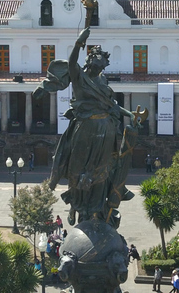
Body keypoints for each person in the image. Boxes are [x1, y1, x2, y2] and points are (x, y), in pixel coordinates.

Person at [37, 26, 144, 229]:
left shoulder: (102, 81)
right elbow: (70, 62)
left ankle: (96, 209)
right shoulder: (79, 76)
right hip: (85, 129)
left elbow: (112, 106)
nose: (99, 68)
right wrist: (79, 42)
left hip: (105, 131)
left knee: (102, 170)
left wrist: (130, 115)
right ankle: (75, 205)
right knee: (78, 167)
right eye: (96, 63)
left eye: (102, 65)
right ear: (89, 60)